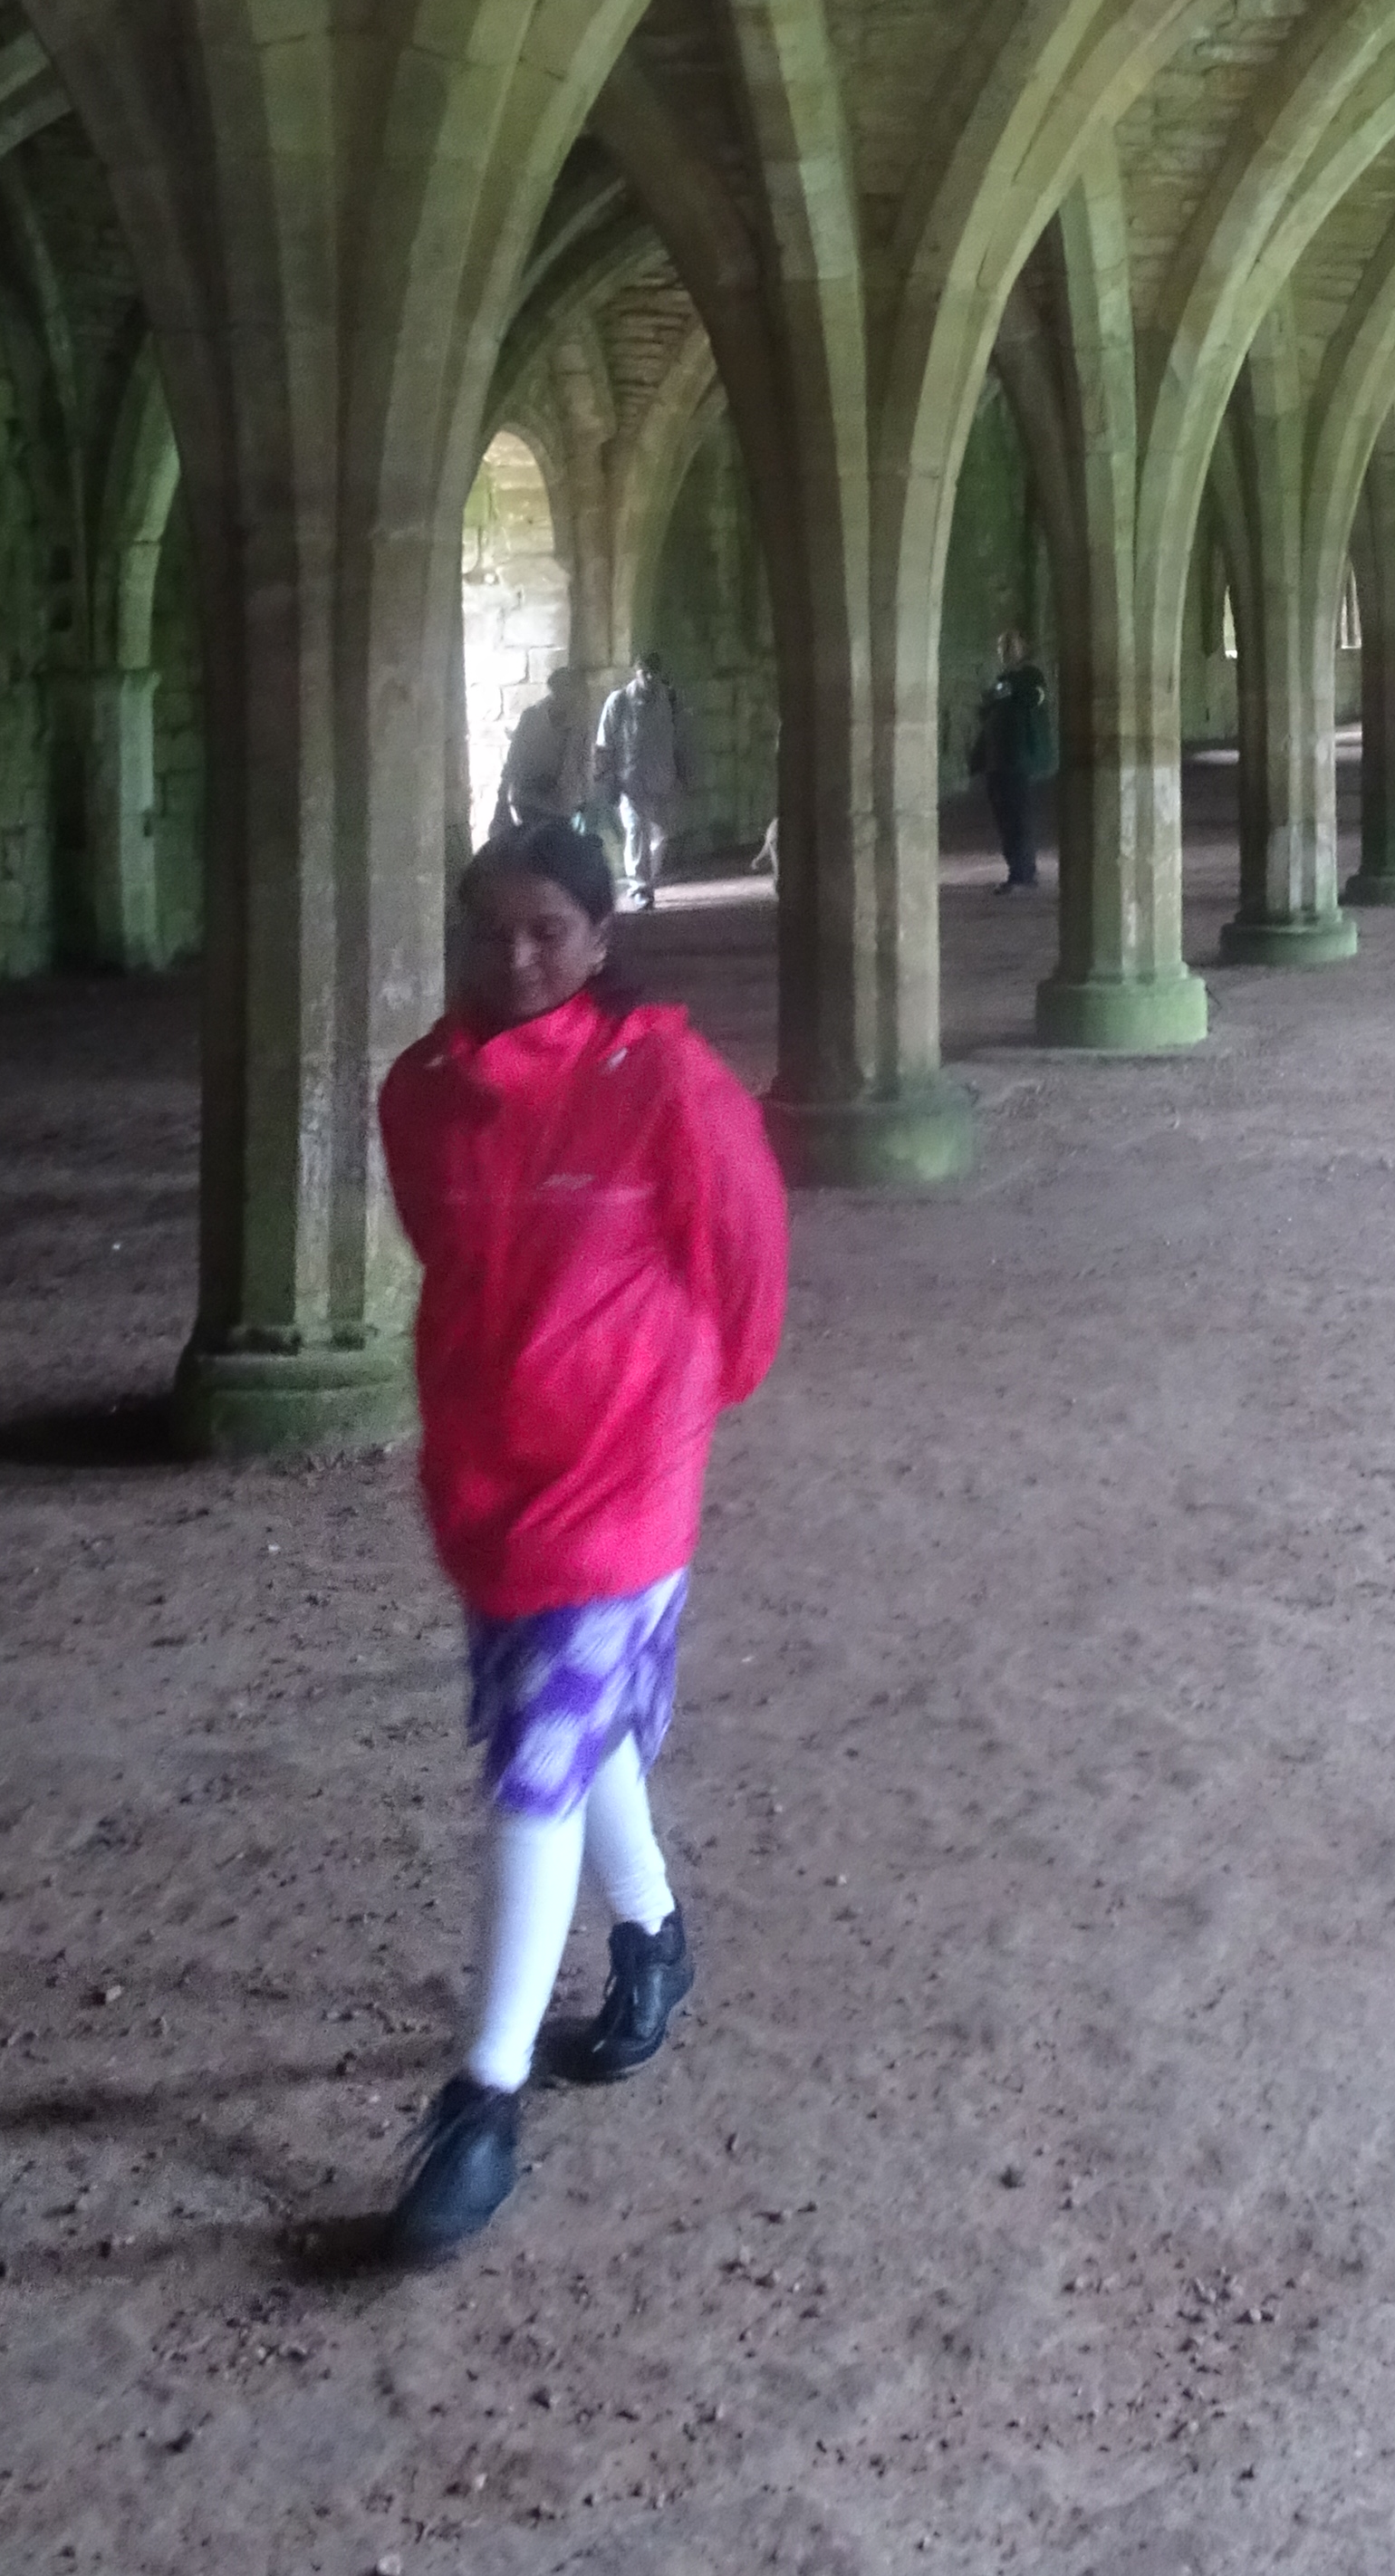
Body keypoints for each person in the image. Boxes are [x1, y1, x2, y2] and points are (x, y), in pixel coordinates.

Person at [373, 818, 788, 2265]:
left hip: (620, 1475)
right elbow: (448, 1252)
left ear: (602, 938)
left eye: (548, 929)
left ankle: (483, 2103)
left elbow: (746, 1259)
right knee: (574, 1722)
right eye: (491, 929)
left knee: (535, 1763)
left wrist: (674, 1400)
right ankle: (653, 1936)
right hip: (488, 1470)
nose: (517, 955)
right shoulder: (423, 1093)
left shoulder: (663, 1080)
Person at [590, 649, 693, 909]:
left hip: (662, 780)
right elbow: (604, 744)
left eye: (653, 673)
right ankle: (640, 888)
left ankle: (647, 878)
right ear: (636, 672)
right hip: (631, 782)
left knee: (661, 834)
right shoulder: (619, 701)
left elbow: (680, 739)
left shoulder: (669, 699)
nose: (649, 678)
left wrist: (684, 773)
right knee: (636, 832)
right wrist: (606, 778)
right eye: (644, 672)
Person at [968, 627, 1056, 890]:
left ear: (1023, 648)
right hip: (997, 760)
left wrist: (1008, 690)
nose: (1005, 651)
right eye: (1001, 646)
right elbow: (986, 709)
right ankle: (1016, 869)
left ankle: (1023, 874)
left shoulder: (1031, 677)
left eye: (1011, 645)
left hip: (1017, 760)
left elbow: (1033, 698)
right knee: (1005, 818)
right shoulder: (1002, 679)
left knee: (1018, 817)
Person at [487, 666, 587, 847]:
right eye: (565, 690)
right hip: (530, 799)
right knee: (532, 847)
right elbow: (515, 756)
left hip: (562, 802)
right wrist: (503, 790)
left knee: (556, 850)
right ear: (554, 690)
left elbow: (584, 761)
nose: (571, 696)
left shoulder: (581, 723)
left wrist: (585, 797)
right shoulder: (531, 717)